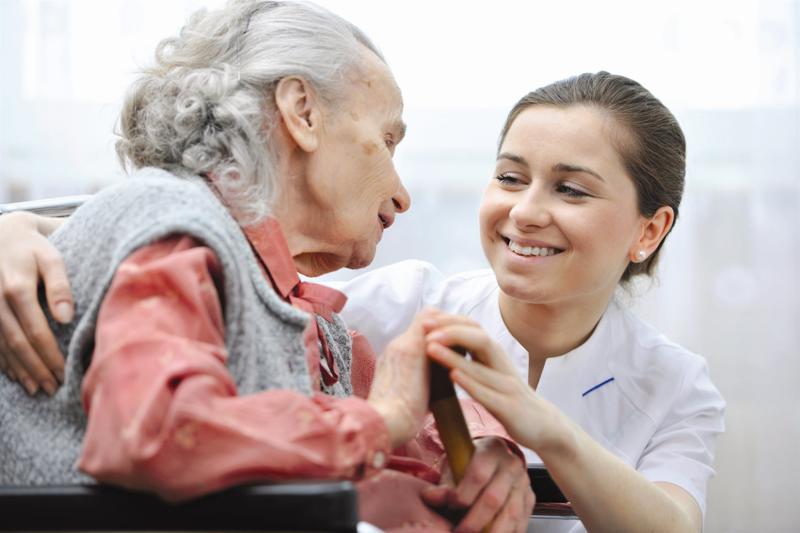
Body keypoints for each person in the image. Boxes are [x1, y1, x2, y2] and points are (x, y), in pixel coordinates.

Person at [0, 50, 722, 533]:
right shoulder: (394, 306)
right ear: (299, 117)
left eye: (569, 188)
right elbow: (185, 238)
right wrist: (15, 229)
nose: (525, 210)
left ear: (649, 231)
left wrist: (527, 435)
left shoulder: (681, 386)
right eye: (508, 177)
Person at [0, 2, 533, 532]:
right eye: (387, 140)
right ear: (302, 112)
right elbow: (159, 432)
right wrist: (381, 419)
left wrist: (483, 448)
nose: (401, 196)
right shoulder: (171, 226)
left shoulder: (309, 320)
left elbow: (386, 428)